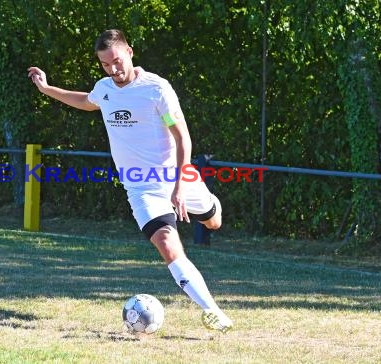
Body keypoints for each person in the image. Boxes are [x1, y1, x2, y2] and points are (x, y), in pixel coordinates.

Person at [28, 29, 233, 332]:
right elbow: (87, 101)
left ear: (130, 52)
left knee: (213, 222)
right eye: (105, 65)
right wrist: (47, 90)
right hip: (141, 187)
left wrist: (178, 186)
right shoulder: (105, 88)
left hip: (177, 177)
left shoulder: (156, 89)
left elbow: (181, 137)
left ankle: (210, 205)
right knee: (166, 243)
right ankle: (212, 310)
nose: (113, 69)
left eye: (117, 61)